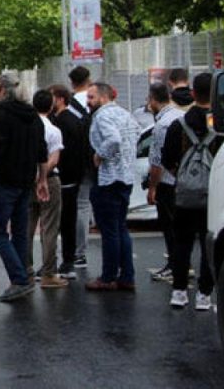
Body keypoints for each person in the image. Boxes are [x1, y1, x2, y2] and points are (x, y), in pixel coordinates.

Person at [162, 73, 224, 311]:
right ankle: (204, 294)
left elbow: (168, 159)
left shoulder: (179, 125)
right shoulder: (221, 124)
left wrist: (183, 174)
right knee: (208, 243)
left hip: (185, 194)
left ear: (193, 94)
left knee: (182, 242)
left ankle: (179, 291)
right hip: (213, 194)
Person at [0, 74, 48, 302]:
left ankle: (19, 279)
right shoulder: (32, 114)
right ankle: (24, 275)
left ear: (2, 89)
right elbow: (42, 148)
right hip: (26, 179)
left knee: (0, 233)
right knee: (20, 232)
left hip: (5, 179)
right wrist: (41, 178)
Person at [85, 82, 141, 291]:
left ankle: (108, 276)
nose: (88, 102)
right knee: (120, 228)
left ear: (103, 97)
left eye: (92, 97)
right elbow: (136, 133)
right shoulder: (125, 114)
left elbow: (113, 139)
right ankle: (127, 275)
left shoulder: (102, 116)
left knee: (109, 230)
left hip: (108, 178)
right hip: (125, 176)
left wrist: (100, 154)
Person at [26, 89, 67, 288]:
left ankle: (25, 271)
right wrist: (41, 176)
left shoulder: (25, 127)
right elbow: (53, 158)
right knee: (49, 228)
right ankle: (49, 273)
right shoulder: (53, 130)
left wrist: (31, 176)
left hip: (26, 181)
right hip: (49, 180)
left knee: (26, 227)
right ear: (51, 106)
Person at [145, 82, 185, 283]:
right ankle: (183, 264)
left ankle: (174, 266)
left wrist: (152, 187)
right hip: (184, 179)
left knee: (169, 228)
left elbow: (156, 162)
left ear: (153, 99)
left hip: (167, 183)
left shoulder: (161, 125)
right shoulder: (180, 116)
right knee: (181, 228)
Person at [49, 85, 86, 280]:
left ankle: (61, 262)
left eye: (52, 97)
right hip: (73, 178)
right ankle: (69, 261)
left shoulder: (60, 123)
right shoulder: (75, 120)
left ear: (61, 99)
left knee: (57, 222)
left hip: (62, 178)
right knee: (68, 222)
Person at [68, 65, 94, 269]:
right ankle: (80, 251)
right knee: (85, 204)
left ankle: (74, 250)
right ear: (89, 79)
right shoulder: (97, 100)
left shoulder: (69, 104)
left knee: (74, 205)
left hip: (72, 159)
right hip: (93, 158)